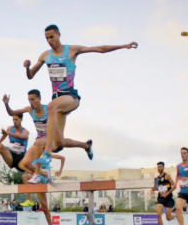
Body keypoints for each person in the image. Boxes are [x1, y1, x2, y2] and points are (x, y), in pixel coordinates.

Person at [26, 25, 137, 167]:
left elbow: (100, 49)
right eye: (46, 38)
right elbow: (30, 76)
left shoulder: (71, 50)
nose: (49, 40)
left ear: (59, 35)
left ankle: (47, 153)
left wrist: (123, 46)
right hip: (58, 101)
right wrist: (27, 68)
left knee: (51, 107)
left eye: (51, 37)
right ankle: (86, 146)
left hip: (70, 97)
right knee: (60, 142)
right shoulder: (45, 56)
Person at [150, 161, 177, 225]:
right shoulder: (157, 178)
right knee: (158, 215)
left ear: (163, 167)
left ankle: (175, 214)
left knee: (168, 218)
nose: (159, 168)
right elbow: (158, 188)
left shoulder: (167, 176)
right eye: (158, 167)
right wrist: (153, 189)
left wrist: (167, 193)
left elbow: (174, 186)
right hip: (160, 198)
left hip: (168, 198)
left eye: (161, 167)